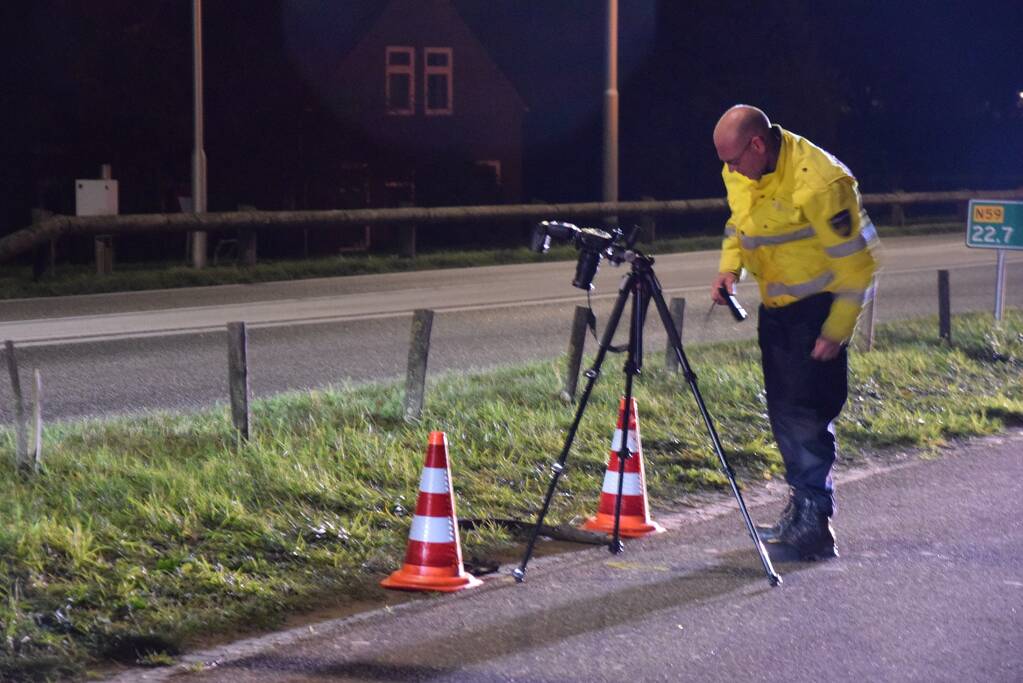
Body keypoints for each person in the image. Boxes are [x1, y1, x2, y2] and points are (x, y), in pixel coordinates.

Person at [709, 105, 879, 560]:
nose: (729, 170)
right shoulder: (745, 168)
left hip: (818, 313)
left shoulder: (821, 181)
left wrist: (837, 330)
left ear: (758, 145)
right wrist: (731, 269)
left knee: (807, 417)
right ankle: (802, 505)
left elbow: (858, 265)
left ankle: (816, 527)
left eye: (733, 160)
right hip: (779, 311)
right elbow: (738, 222)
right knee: (785, 413)